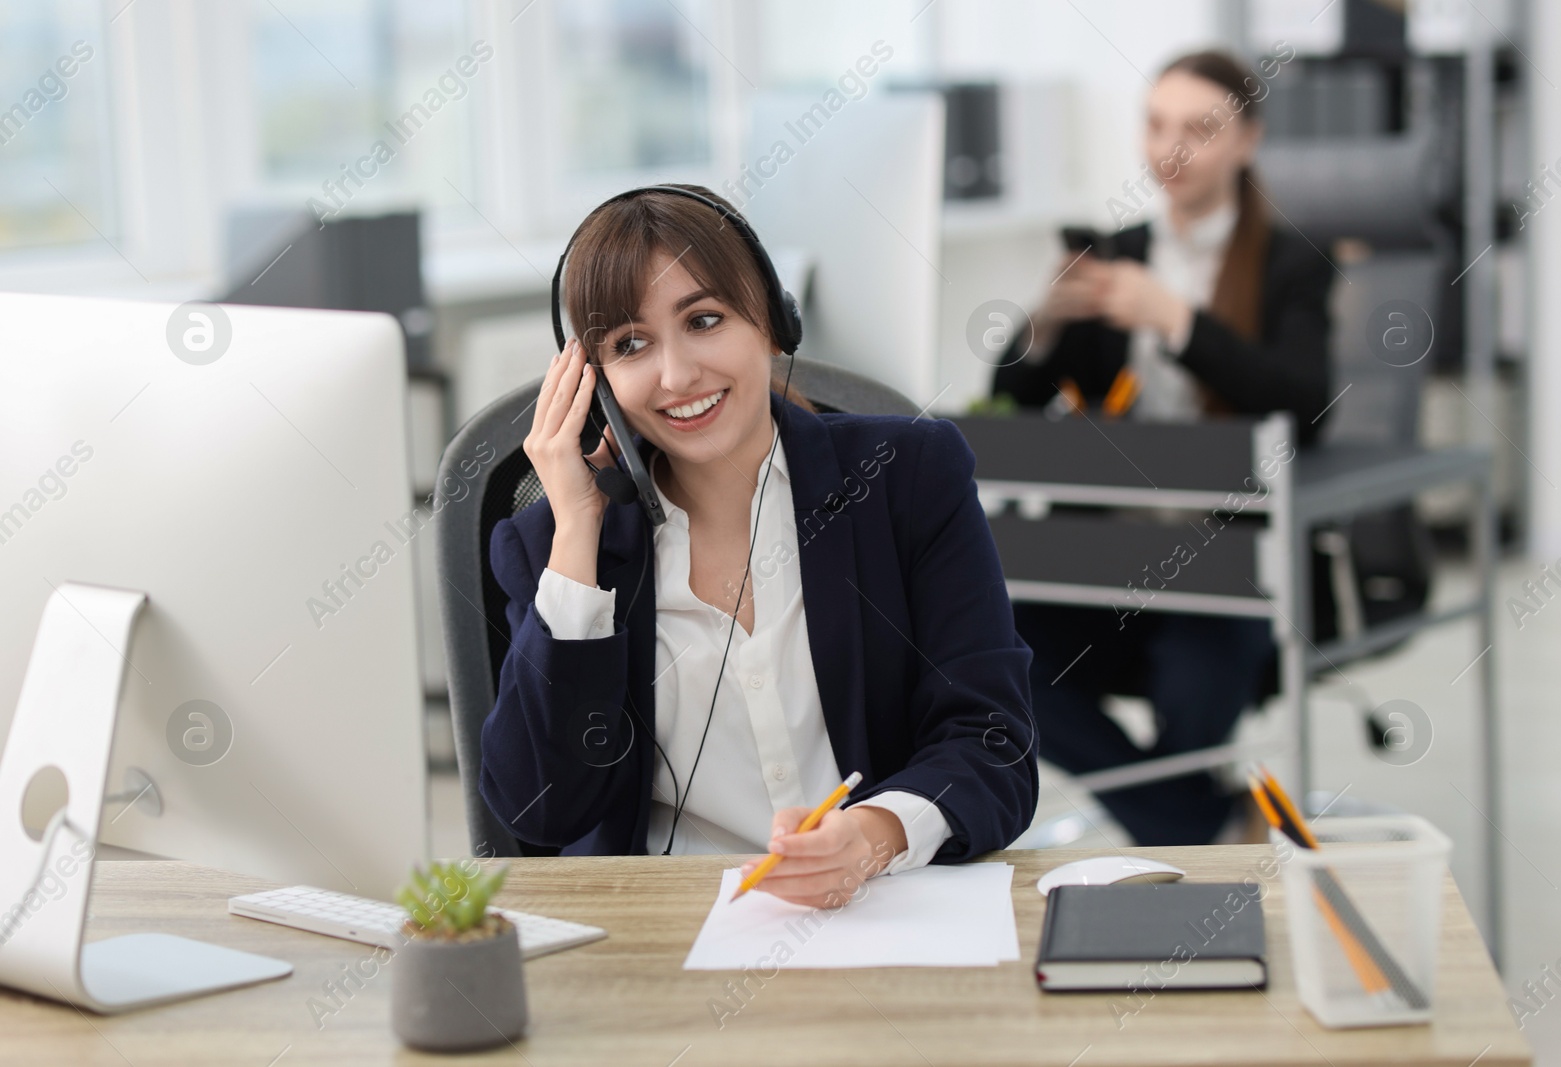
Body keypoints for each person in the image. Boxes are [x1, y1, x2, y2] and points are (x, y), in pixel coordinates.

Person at [481, 184, 1037, 909]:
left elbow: (995, 741)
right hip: (666, 939)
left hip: (884, 907)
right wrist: (578, 535)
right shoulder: (553, 550)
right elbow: (539, 811)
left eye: (704, 319)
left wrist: (874, 834)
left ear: (772, 323)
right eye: (631, 344)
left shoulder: (907, 477)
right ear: (596, 382)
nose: (677, 375)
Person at [991, 50, 1334, 846]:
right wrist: (1043, 323)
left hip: (1225, 572)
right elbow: (1015, 398)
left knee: (1197, 681)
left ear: (1246, 140)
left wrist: (1177, 321)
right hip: (1096, 557)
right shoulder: (1116, 253)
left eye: (1198, 129)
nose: (1169, 149)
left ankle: (1180, 832)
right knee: (994, 655)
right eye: (1156, 125)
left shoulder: (1290, 267)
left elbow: (1305, 408)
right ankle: (1206, 823)